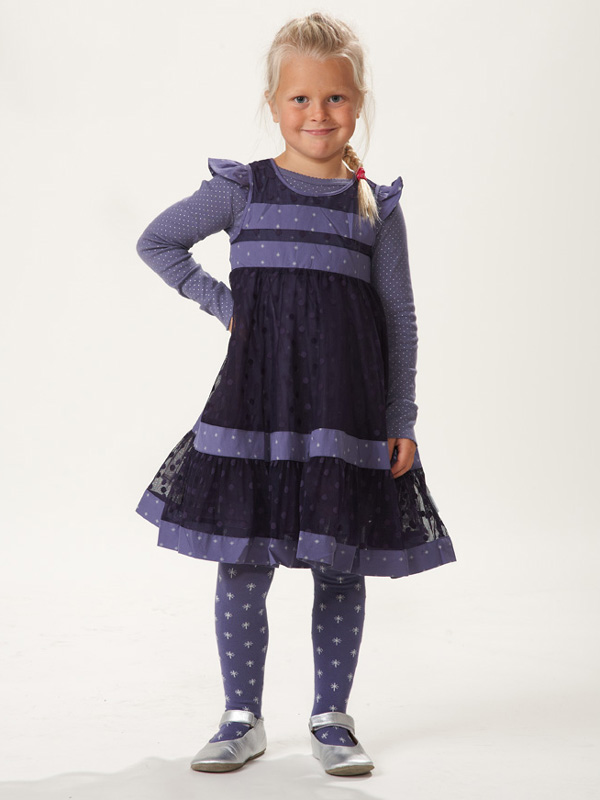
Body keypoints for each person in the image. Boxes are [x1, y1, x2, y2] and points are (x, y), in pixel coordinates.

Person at [134, 10, 457, 777]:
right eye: (301, 99)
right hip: (256, 409)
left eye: (335, 98)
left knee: (340, 564)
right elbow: (158, 241)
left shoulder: (374, 206)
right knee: (244, 562)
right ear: (274, 104)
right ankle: (240, 717)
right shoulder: (242, 191)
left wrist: (400, 416)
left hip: (344, 415)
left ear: (359, 101)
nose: (319, 114)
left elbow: (400, 319)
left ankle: (331, 717)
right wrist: (227, 306)